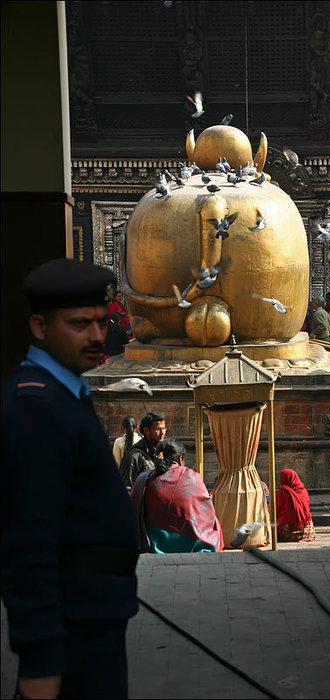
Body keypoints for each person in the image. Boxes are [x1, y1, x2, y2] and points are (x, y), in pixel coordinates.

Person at [1, 258, 139, 700]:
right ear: (40, 327)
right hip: (69, 625)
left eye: (100, 322)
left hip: (93, 612)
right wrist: (40, 660)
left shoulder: (65, 390)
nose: (97, 337)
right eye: (80, 324)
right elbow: (27, 544)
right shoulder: (36, 408)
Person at [130, 439, 224, 553]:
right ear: (180, 459)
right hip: (193, 542)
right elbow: (206, 511)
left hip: (153, 542)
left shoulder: (144, 479)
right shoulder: (192, 476)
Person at [120, 412, 167, 490]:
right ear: (146, 430)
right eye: (158, 429)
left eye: (164, 429)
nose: (162, 433)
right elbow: (127, 488)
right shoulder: (134, 456)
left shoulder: (166, 452)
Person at [276, 469, 316, 542]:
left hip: (286, 534)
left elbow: (277, 511)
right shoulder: (303, 492)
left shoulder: (283, 493)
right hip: (306, 532)